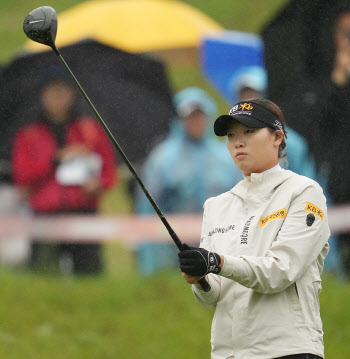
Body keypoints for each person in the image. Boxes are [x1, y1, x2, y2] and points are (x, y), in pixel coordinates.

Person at [178, 98, 330, 359]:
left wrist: (216, 261)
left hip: (289, 350)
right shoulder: (216, 206)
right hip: (230, 353)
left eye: (249, 131)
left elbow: (281, 270)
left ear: (277, 137)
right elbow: (212, 296)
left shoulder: (304, 192)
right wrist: (200, 278)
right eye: (231, 135)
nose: (238, 141)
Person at [12, 69, 117, 274]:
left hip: (84, 212)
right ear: (42, 95)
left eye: (63, 92)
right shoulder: (29, 134)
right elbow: (23, 176)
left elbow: (108, 170)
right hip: (45, 215)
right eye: (52, 92)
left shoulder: (90, 130)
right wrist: (54, 160)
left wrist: (98, 184)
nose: (58, 99)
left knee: (89, 275)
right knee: (44, 275)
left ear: (72, 94)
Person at [135, 87, 242, 275]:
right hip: (173, 252)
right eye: (190, 117)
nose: (196, 122)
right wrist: (151, 257)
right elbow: (148, 206)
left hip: (221, 247)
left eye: (200, 116)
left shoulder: (226, 157)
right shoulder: (162, 158)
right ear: (180, 120)